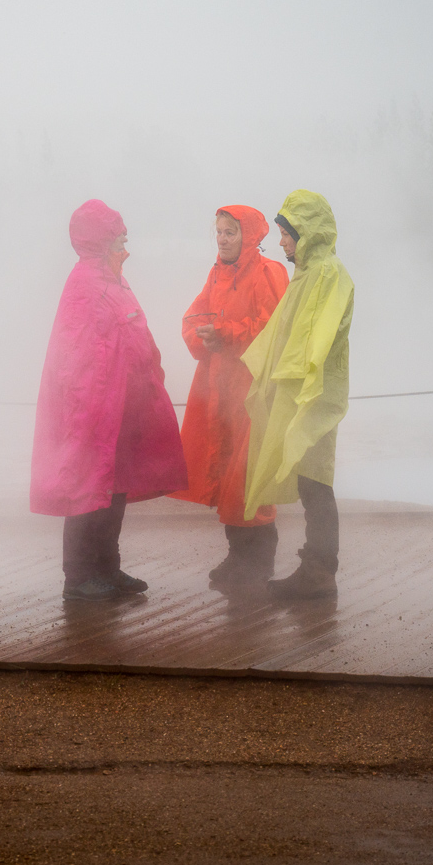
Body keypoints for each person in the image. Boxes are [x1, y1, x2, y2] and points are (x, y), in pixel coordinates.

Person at [31, 199, 188, 601]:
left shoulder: (113, 279)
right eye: (119, 237)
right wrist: (91, 406)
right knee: (87, 486)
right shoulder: (86, 283)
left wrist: (148, 380)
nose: (124, 244)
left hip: (120, 402)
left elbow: (132, 336)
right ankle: (79, 577)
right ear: (101, 241)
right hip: (93, 405)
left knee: (113, 486)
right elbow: (78, 354)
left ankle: (107, 568)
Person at [241, 190, 354, 598]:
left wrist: (296, 383)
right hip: (302, 390)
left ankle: (320, 573)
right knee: (310, 481)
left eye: (287, 234)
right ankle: (316, 570)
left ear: (306, 232)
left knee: (316, 481)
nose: (282, 242)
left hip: (313, 394)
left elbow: (315, 339)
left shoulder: (327, 273)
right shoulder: (309, 273)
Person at [173, 206, 289, 589]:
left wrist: (224, 332)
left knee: (250, 476)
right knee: (226, 472)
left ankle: (258, 562)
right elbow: (193, 317)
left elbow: (273, 328)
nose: (222, 240)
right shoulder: (216, 274)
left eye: (230, 232)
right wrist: (203, 334)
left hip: (253, 388)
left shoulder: (269, 272)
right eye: (219, 232)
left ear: (249, 236)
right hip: (220, 389)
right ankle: (238, 556)